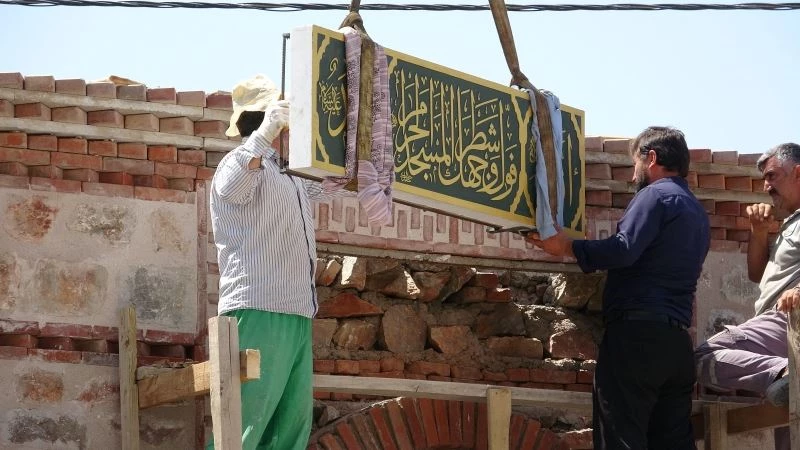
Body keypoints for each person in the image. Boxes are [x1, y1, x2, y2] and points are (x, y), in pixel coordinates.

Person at [528, 126, 710, 449]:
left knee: (621, 439)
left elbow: (624, 249)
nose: (632, 177)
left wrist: (568, 246)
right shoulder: (697, 212)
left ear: (651, 158)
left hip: (637, 343)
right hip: (677, 347)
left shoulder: (654, 196)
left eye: (635, 165)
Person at [208, 75, 349, 450]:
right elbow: (233, 186)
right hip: (257, 307)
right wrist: (267, 132)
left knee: (290, 429)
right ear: (266, 119)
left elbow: (336, 181)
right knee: (241, 427)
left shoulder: (291, 174)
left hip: (298, 312)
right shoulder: (237, 162)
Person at [695, 142, 800, 450]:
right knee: (787, 421)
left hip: (788, 322)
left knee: (703, 356)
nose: (766, 187)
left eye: (772, 176)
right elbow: (757, 274)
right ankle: (785, 376)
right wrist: (758, 231)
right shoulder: (790, 223)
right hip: (779, 323)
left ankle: (785, 372)